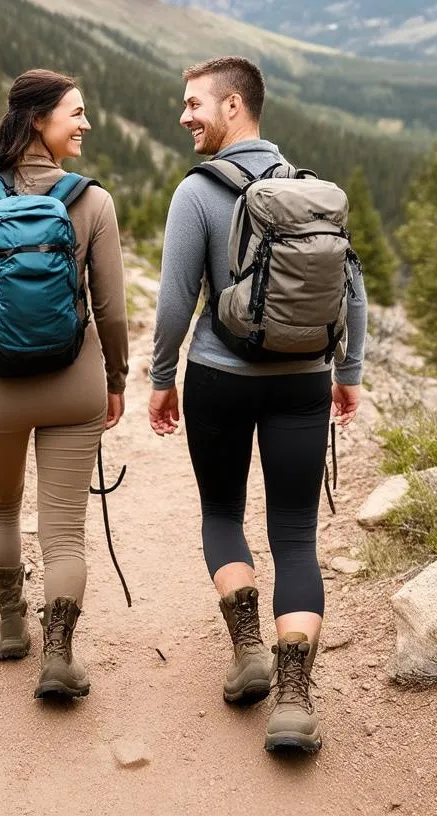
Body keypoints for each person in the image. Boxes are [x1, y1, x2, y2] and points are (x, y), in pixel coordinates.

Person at [147, 56, 366, 753]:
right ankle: (294, 700)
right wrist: (347, 371)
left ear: (234, 105)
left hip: (219, 375)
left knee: (221, 514)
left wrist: (159, 375)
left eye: (194, 105)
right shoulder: (309, 189)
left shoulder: (199, 191)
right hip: (304, 378)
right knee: (297, 536)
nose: (185, 117)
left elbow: (178, 298)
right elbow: (351, 292)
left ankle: (248, 654)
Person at [0, 69, 128, 700]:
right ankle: (61, 658)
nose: (86, 122)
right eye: (76, 112)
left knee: (1, 505)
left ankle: (13, 628)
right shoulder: (92, 201)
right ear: (38, 119)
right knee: (65, 528)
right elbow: (112, 310)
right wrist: (116, 379)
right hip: (76, 386)